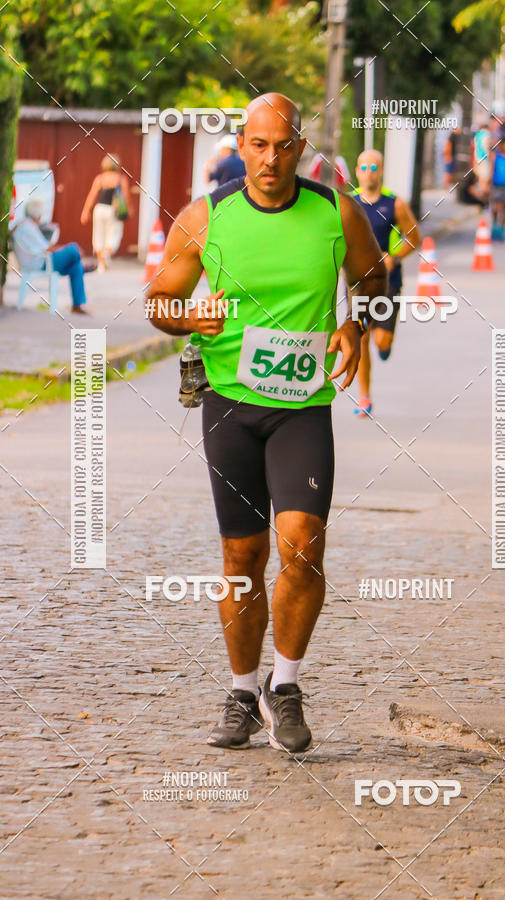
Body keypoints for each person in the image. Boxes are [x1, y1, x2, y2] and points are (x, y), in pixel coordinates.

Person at [147, 93, 385, 753]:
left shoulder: (335, 212)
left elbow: (372, 276)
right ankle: (241, 691)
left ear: (300, 149)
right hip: (230, 401)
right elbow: (159, 301)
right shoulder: (207, 217)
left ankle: (286, 686)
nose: (270, 159)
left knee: (303, 544)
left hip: (303, 404)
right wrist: (191, 318)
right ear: (242, 146)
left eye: (283, 146)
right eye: (258, 145)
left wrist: (354, 322)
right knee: (242, 556)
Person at [350, 150, 421, 417]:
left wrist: (393, 257)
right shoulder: (350, 204)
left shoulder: (395, 205)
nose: (369, 171)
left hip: (388, 283)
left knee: (380, 341)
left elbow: (415, 238)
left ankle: (386, 344)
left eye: (374, 167)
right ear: (357, 171)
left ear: (381, 172)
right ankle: (364, 397)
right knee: (362, 338)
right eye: (364, 166)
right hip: (358, 283)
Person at [12, 197, 91, 314]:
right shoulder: (28, 227)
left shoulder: (25, 225)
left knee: (76, 267)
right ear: (38, 214)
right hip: (39, 263)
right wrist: (64, 249)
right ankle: (83, 265)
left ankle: (77, 306)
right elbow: (47, 248)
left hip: (39, 260)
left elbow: (45, 247)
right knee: (73, 249)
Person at [81, 154, 131, 271]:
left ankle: (101, 265)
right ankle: (106, 254)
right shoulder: (120, 179)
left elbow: (92, 195)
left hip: (99, 209)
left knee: (98, 235)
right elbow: (126, 196)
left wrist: (85, 211)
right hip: (113, 211)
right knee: (113, 235)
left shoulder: (100, 178)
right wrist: (128, 209)